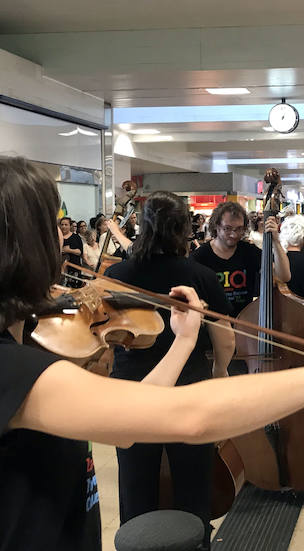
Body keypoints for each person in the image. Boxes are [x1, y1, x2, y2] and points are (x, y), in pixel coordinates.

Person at [0, 156, 304, 551]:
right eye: (49, 227)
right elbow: (190, 417)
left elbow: (131, 422)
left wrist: (184, 339)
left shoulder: (0, 357)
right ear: (6, 249)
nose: (61, 239)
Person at [104, 191, 236, 547]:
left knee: (135, 482)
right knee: (193, 481)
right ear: (183, 228)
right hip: (188, 389)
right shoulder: (202, 276)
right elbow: (224, 340)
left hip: (133, 390)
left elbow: (106, 338)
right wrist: (221, 372)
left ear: (143, 226)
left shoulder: (117, 274)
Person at [191, 201, 290, 317]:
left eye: (239, 229)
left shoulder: (249, 252)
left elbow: (284, 276)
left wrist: (276, 241)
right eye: (227, 228)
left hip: (246, 321)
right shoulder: (200, 257)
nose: (233, 235)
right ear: (216, 226)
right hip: (214, 326)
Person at [59, 216, 84, 288]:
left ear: (70, 226)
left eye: (66, 225)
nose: (63, 226)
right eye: (62, 224)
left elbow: (80, 252)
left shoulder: (76, 237)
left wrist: (69, 250)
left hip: (74, 268)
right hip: (61, 269)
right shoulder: (57, 237)